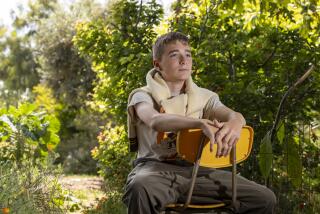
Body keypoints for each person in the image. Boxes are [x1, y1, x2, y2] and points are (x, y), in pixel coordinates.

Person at [122, 32, 276, 214]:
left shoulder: (205, 96)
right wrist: (199, 123)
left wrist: (236, 122)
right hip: (155, 171)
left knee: (264, 198)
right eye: (174, 55)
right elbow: (155, 120)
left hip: (198, 171)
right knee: (139, 187)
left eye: (187, 54)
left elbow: (233, 115)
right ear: (157, 64)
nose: (184, 60)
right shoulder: (142, 95)